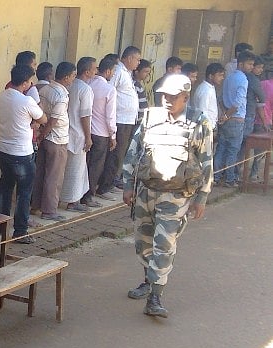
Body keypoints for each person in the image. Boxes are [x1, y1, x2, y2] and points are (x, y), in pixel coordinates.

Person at [122, 74, 213, 318]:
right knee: (143, 241)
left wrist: (202, 197)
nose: (167, 100)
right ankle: (148, 280)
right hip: (146, 192)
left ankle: (155, 296)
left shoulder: (199, 123)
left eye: (173, 96)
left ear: (186, 97)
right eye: (164, 95)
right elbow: (134, 151)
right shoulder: (151, 117)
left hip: (176, 196)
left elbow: (206, 161)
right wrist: (128, 184)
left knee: (164, 244)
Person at [0, 64, 47, 244]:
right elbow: (43, 118)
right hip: (22, 153)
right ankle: (20, 230)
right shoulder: (26, 101)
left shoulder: (3, 96)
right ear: (25, 83)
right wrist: (34, 121)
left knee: (5, 187)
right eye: (30, 81)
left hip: (4, 149)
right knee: (24, 193)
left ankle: (0, 225)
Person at [33, 62, 75, 221]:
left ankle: (36, 205)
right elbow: (53, 121)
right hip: (56, 139)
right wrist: (43, 135)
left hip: (45, 137)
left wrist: (41, 136)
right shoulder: (61, 96)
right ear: (66, 77)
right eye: (73, 76)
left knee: (41, 173)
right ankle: (49, 211)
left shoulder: (45, 89)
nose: (73, 79)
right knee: (54, 176)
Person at [103, 46, 142, 191]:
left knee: (121, 153)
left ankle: (113, 181)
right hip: (120, 119)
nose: (138, 63)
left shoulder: (127, 73)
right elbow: (109, 91)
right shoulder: (118, 71)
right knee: (116, 154)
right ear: (129, 58)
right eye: (137, 59)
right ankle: (106, 185)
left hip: (127, 120)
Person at [83, 55, 119, 207]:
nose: (113, 74)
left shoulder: (88, 84)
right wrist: (113, 135)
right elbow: (110, 116)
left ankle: (80, 194)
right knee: (96, 167)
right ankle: (88, 196)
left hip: (87, 131)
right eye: (113, 71)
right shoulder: (109, 89)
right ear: (108, 71)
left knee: (85, 165)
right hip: (101, 133)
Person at [215, 51, 255, 187]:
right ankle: (229, 179)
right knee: (233, 151)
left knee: (221, 149)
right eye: (249, 64)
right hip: (236, 120)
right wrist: (227, 115)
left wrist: (225, 114)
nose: (251, 67)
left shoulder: (228, 77)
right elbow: (238, 103)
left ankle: (216, 177)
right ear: (241, 64)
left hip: (226, 119)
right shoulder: (243, 79)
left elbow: (220, 98)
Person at [61, 57, 95, 213]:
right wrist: (88, 137)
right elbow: (85, 115)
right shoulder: (85, 89)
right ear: (87, 72)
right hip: (78, 134)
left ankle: (65, 198)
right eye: (94, 69)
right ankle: (73, 202)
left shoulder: (70, 85)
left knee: (67, 168)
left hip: (65, 133)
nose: (96, 71)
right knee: (76, 169)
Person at [191, 63, 224, 130]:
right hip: (206, 128)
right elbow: (203, 112)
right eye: (219, 75)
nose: (222, 78)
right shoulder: (206, 90)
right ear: (211, 76)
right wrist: (208, 129)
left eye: (222, 75)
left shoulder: (210, 87)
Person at [134, 59, 153, 123]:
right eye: (145, 72)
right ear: (136, 72)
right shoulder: (135, 85)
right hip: (136, 121)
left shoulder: (139, 85)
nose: (147, 75)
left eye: (148, 72)